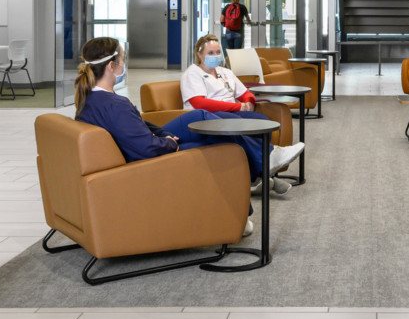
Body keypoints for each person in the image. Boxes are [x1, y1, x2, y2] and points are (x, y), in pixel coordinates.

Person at [73, 37, 305, 237]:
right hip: (148, 160)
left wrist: (164, 134)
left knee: (203, 119)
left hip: (149, 146)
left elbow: (138, 126)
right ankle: (258, 180)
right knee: (221, 143)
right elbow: (144, 148)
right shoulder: (114, 104)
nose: (125, 64)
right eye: (123, 60)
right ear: (112, 66)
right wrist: (167, 143)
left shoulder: (94, 100)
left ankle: (263, 168)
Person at [181, 34, 301, 194]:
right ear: (199, 54)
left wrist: (249, 102)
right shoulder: (192, 74)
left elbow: (244, 93)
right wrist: (237, 108)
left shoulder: (224, 72)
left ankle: (258, 177)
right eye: (210, 53)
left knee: (261, 122)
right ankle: (270, 158)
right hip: (208, 116)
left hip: (231, 112)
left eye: (218, 52)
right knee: (237, 126)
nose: (215, 56)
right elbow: (200, 103)